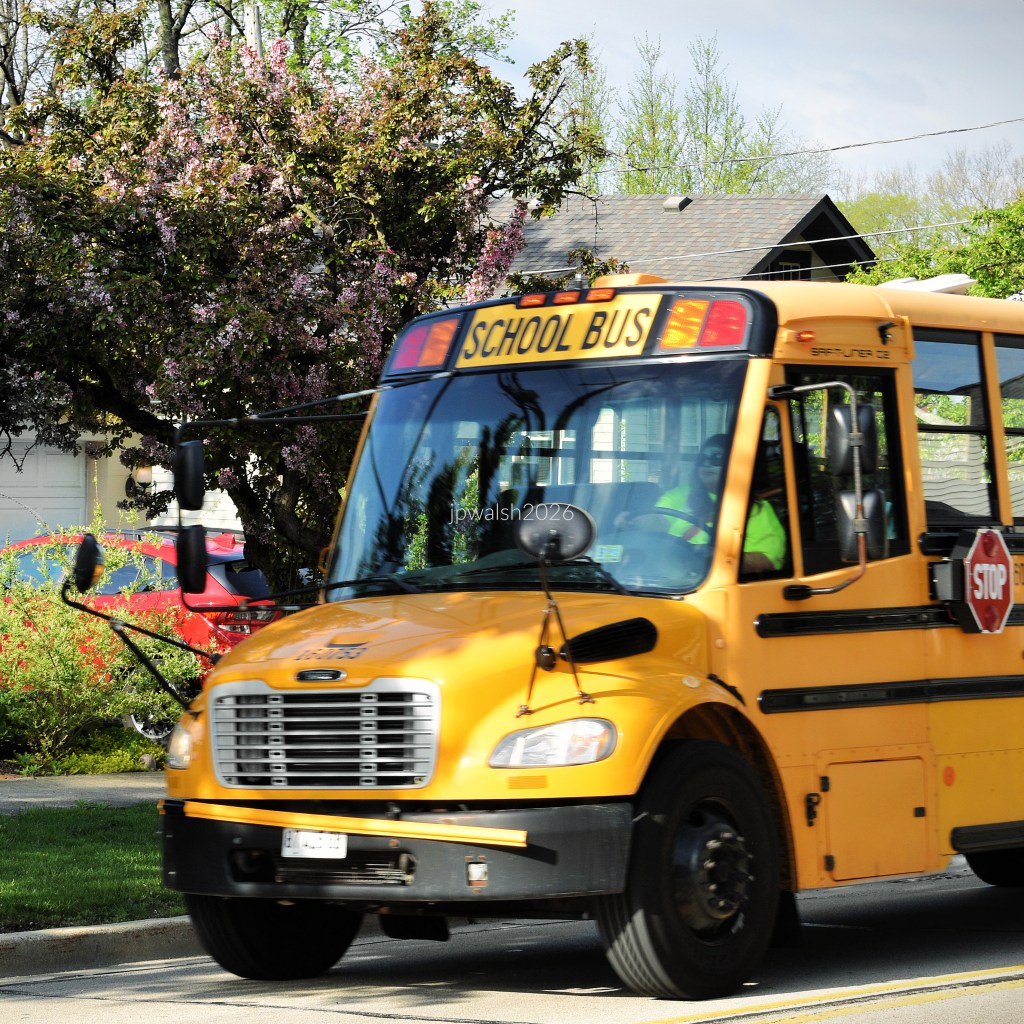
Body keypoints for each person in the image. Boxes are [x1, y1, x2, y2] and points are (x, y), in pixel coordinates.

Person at [649, 434, 787, 575]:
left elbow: (767, 559)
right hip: (667, 580)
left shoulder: (755, 508)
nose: (707, 464)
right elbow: (656, 521)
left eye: (716, 459)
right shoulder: (681, 494)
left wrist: (716, 558)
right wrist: (636, 523)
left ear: (732, 463)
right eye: (703, 459)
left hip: (720, 582)